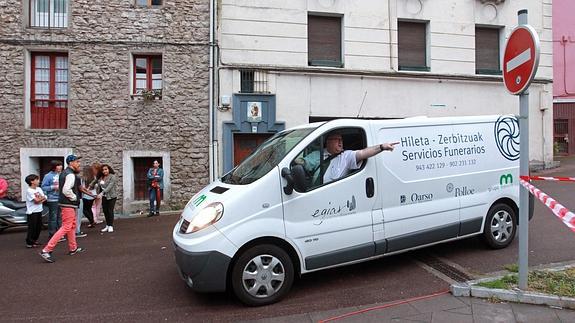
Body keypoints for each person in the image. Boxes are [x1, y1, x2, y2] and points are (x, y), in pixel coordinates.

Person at [297, 132, 398, 184]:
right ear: (328, 141)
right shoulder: (317, 154)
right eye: (337, 139)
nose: (340, 142)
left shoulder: (346, 156)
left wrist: (382, 147)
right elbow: (302, 163)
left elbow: (363, 153)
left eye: (341, 139)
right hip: (311, 193)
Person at [40, 155, 86, 263]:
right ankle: (46, 250)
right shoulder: (70, 174)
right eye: (77, 162)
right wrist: (74, 197)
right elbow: (66, 190)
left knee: (71, 226)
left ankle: (73, 248)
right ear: (71, 163)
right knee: (66, 227)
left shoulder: (65, 173)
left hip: (66, 204)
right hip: (68, 204)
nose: (79, 164)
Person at [41, 160, 63, 239]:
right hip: (52, 199)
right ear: (54, 166)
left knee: (60, 217)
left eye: (61, 165)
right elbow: (43, 187)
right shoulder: (48, 176)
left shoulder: (62, 174)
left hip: (61, 198)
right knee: (53, 217)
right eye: (58, 165)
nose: (60, 167)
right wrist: (53, 187)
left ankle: (60, 233)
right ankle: (52, 234)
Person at [24, 174, 46, 248]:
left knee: (38, 227)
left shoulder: (39, 189)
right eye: (37, 180)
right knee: (32, 227)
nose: (38, 181)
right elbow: (36, 200)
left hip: (39, 210)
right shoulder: (29, 191)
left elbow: (45, 197)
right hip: (32, 212)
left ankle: (34, 240)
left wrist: (41, 199)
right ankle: (29, 242)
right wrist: (41, 199)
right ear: (32, 181)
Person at [94, 164, 117, 233]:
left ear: (109, 169)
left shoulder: (112, 177)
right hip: (104, 197)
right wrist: (89, 187)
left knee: (110, 211)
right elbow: (95, 181)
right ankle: (107, 225)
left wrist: (102, 193)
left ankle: (111, 226)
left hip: (111, 196)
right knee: (105, 211)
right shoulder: (101, 177)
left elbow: (109, 187)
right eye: (103, 170)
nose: (104, 171)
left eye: (106, 169)